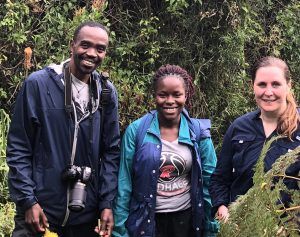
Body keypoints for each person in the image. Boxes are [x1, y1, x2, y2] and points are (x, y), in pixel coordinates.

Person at [6, 21, 120, 237]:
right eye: (85, 45)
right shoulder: (39, 85)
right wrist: (28, 201)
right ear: (72, 45)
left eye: (100, 48)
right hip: (40, 212)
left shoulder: (105, 93)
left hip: (85, 214)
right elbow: (19, 147)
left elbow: (111, 152)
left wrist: (107, 203)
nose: (92, 53)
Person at [111, 65, 219, 237]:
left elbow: (209, 181)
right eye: (163, 95)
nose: (170, 101)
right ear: (155, 96)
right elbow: (125, 183)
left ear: (186, 95)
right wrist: (120, 229)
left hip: (187, 220)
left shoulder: (198, 132)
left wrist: (211, 225)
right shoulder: (137, 131)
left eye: (176, 94)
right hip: (145, 220)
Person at [209, 56, 300, 222]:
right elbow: (220, 178)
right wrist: (221, 207)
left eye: (276, 84)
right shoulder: (239, 127)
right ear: (253, 86)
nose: (268, 92)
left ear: (288, 86)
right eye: (262, 84)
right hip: (242, 226)